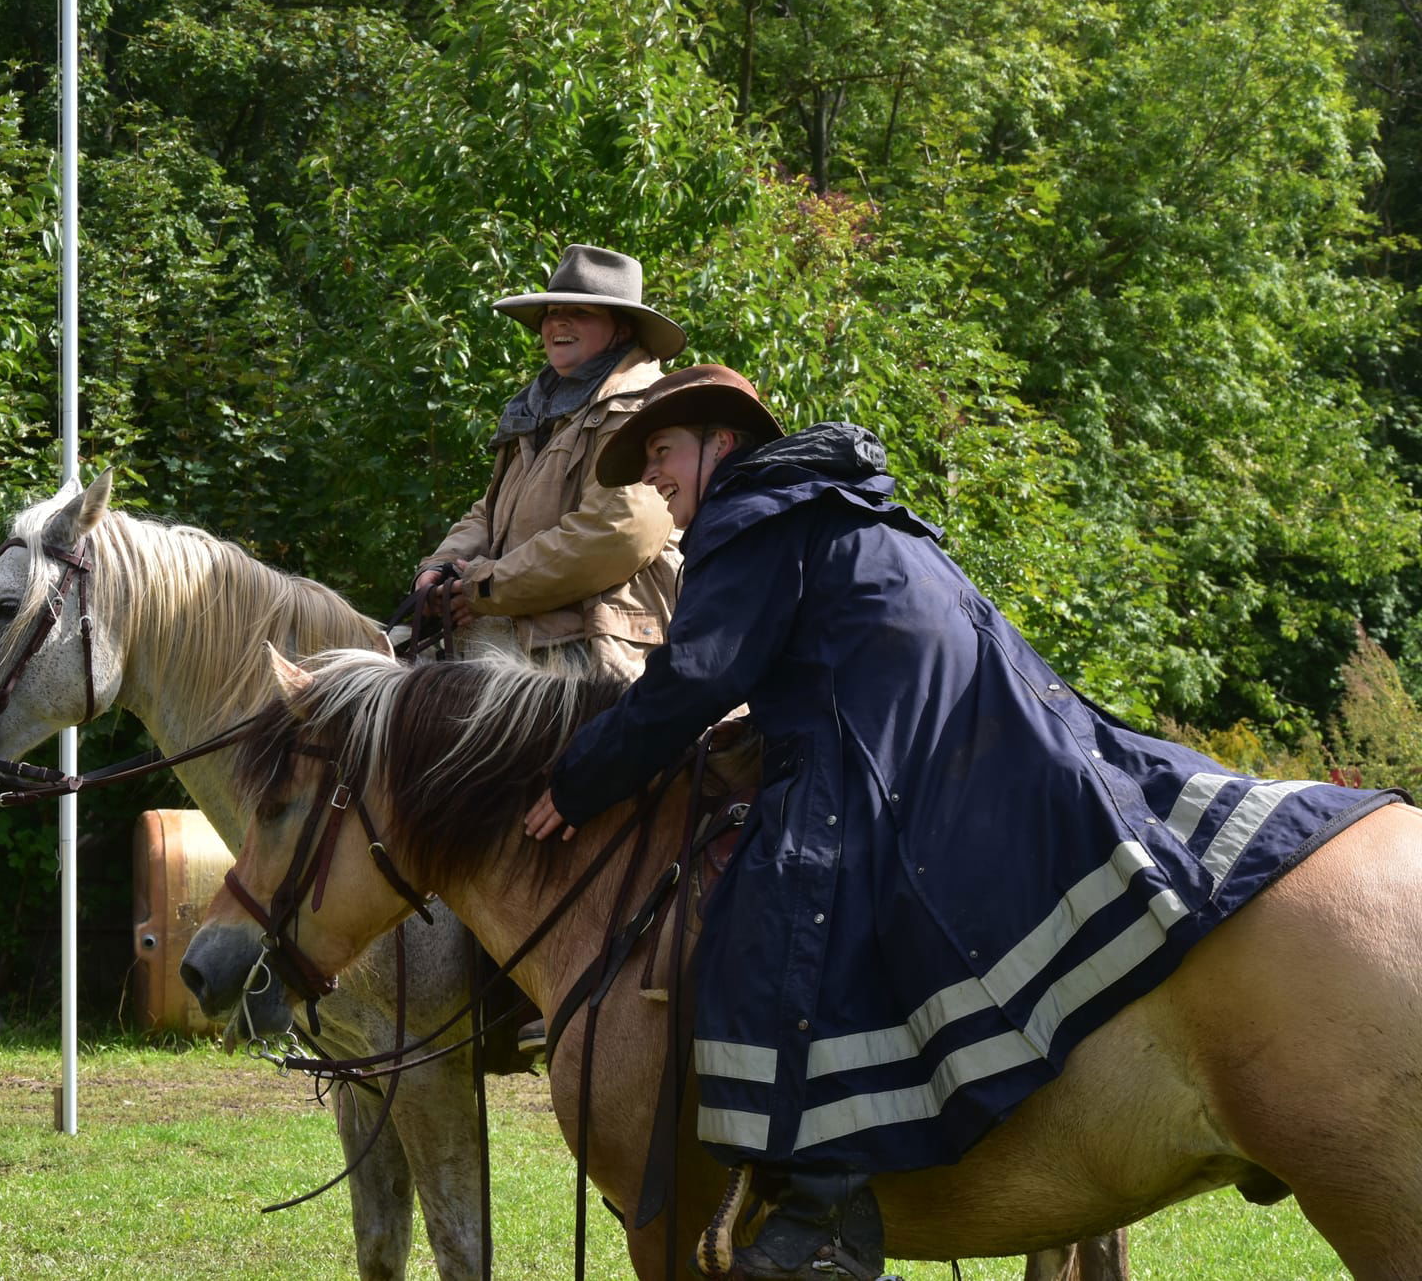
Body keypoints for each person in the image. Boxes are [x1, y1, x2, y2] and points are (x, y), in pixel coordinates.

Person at [523, 366, 1399, 1280]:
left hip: (881, 747)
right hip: (981, 729)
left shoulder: (752, 515)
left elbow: (694, 677)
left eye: (663, 452)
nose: (653, 476)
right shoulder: (844, 504)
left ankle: (822, 1207)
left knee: (773, 909)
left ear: (723, 445)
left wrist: (578, 781)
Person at [413, 244, 685, 677]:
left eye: (581, 311)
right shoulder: (537, 408)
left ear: (622, 330)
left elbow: (617, 534)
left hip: (599, 650)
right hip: (516, 633)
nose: (558, 321)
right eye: (553, 311)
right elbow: (490, 513)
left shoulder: (644, 408)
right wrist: (437, 572)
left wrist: (485, 586)